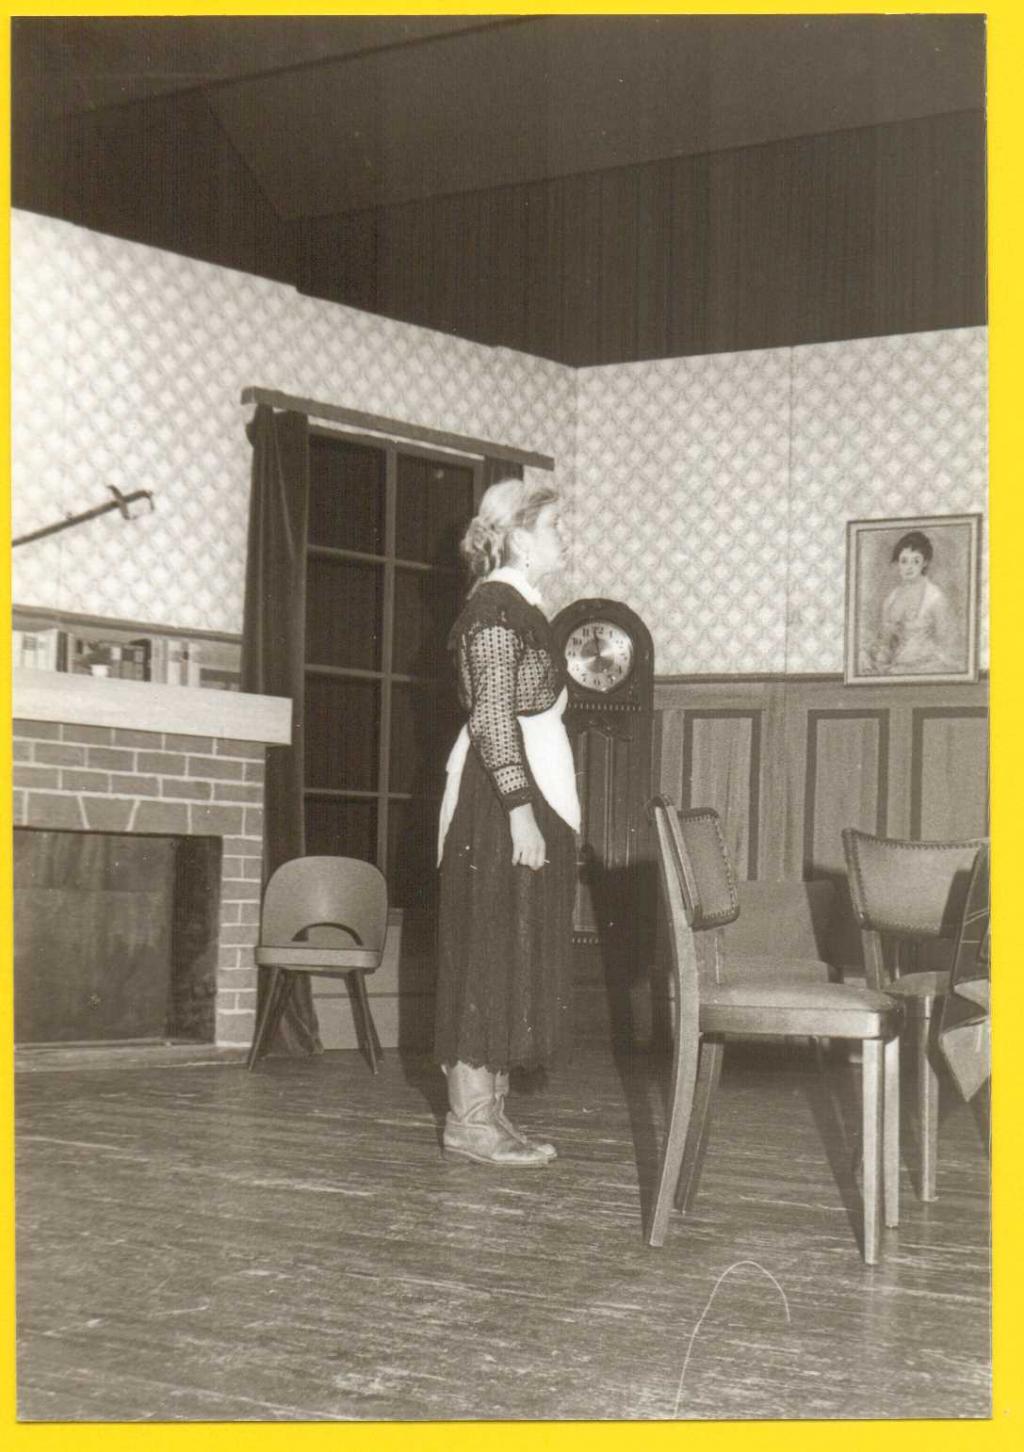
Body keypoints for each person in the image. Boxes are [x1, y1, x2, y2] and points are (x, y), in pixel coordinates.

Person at [434, 476, 580, 1167]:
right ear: (520, 537)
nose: (563, 539)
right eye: (553, 528)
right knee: (487, 953)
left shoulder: (518, 607)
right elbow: (493, 719)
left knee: (509, 951)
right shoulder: (494, 610)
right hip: (499, 802)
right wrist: (522, 812)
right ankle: (468, 1122)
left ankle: (491, 1116)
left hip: (519, 790)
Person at [867, 529, 960, 675]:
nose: (909, 567)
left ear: (925, 563)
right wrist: (880, 657)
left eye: (915, 561)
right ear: (898, 563)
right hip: (897, 669)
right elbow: (885, 642)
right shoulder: (891, 599)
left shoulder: (935, 598)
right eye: (904, 561)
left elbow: (946, 644)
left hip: (929, 668)